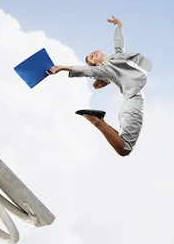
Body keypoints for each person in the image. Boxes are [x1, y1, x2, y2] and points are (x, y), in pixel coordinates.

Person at [46, 16, 152, 157]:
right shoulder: (104, 69)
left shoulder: (117, 56)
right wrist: (64, 67)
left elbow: (119, 43)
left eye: (93, 52)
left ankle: (99, 120)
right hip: (134, 100)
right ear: (98, 65)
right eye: (92, 57)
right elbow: (87, 71)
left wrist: (119, 26)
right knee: (124, 149)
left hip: (132, 101)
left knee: (123, 144)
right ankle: (96, 120)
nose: (93, 53)